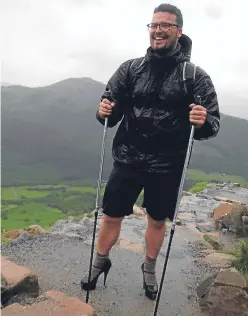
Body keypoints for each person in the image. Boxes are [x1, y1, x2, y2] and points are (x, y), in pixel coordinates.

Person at [81, 3, 220, 300]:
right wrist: (103, 110)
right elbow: (110, 112)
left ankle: (149, 268)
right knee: (110, 216)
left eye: (165, 26)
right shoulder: (130, 69)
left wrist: (204, 120)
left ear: (178, 31)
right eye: (154, 25)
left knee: (157, 220)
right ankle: (99, 262)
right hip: (128, 158)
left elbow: (212, 124)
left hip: (168, 165)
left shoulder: (194, 76)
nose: (158, 30)